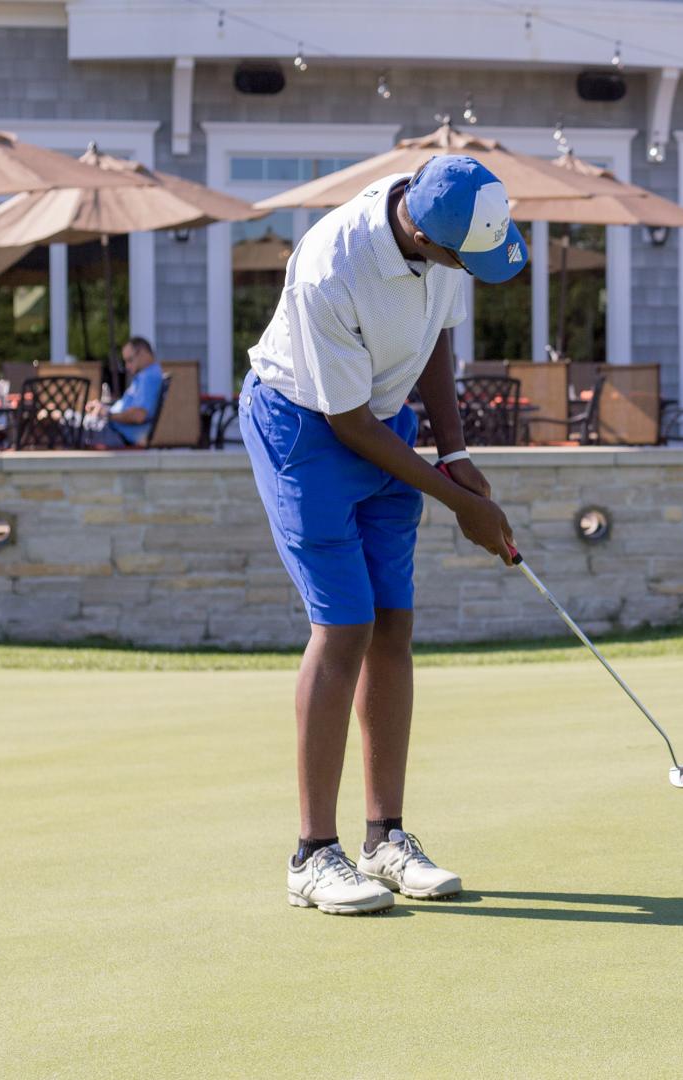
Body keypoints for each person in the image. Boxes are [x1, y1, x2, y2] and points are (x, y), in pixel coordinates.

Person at [242, 155, 527, 915]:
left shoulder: (448, 227)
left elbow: (436, 338)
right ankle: (312, 854)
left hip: (384, 421)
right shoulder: (329, 266)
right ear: (426, 236)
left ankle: (385, 839)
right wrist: (459, 504)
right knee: (345, 626)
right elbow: (347, 423)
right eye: (462, 260)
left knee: (394, 625)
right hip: (306, 427)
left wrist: (457, 455)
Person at [84, 336, 164, 447]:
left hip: (116, 435)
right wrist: (104, 408)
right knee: (63, 418)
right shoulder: (146, 375)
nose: (127, 366)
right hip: (110, 429)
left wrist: (107, 414)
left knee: (60, 424)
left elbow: (139, 415)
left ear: (143, 353)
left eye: (129, 360)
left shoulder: (148, 377)